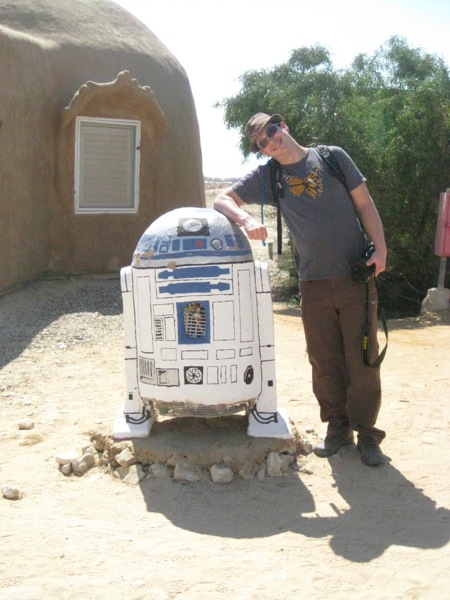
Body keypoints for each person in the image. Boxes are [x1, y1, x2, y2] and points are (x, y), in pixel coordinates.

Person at [213, 112, 388, 466]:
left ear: (283, 126)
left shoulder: (332, 157)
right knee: (324, 361)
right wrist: (246, 219)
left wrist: (381, 249)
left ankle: (368, 435)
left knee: (362, 360)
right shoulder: (269, 177)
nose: (270, 142)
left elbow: (365, 203)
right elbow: (222, 199)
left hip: (355, 278)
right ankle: (338, 429)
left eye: (271, 131)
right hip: (312, 284)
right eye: (261, 143)